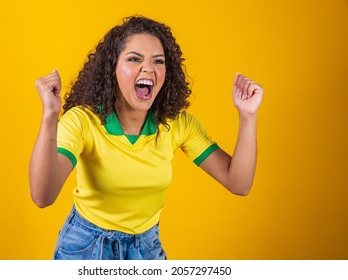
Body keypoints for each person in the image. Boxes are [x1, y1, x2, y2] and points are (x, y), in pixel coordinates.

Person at [29, 15, 264, 260]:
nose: (148, 68)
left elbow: (238, 184)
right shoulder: (83, 121)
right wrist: (50, 116)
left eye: (158, 61)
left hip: (146, 247)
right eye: (134, 59)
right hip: (87, 245)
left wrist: (248, 116)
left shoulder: (177, 123)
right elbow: (43, 196)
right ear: (113, 69)